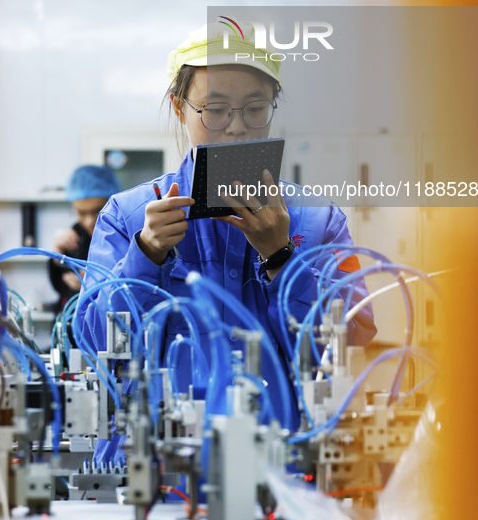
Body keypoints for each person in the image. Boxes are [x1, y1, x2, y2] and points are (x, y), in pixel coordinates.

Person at [78, 23, 376, 460]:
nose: (236, 128)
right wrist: (146, 254)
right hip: (156, 466)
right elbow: (92, 342)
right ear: (181, 109)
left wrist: (282, 258)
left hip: (280, 462)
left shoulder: (316, 220)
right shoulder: (127, 217)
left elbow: (354, 336)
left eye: (255, 108)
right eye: (215, 109)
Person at [49, 164, 122, 312]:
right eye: (82, 213)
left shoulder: (121, 236)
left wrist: (90, 287)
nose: (89, 221)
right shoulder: (75, 234)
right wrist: (56, 259)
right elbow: (59, 286)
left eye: (97, 211)